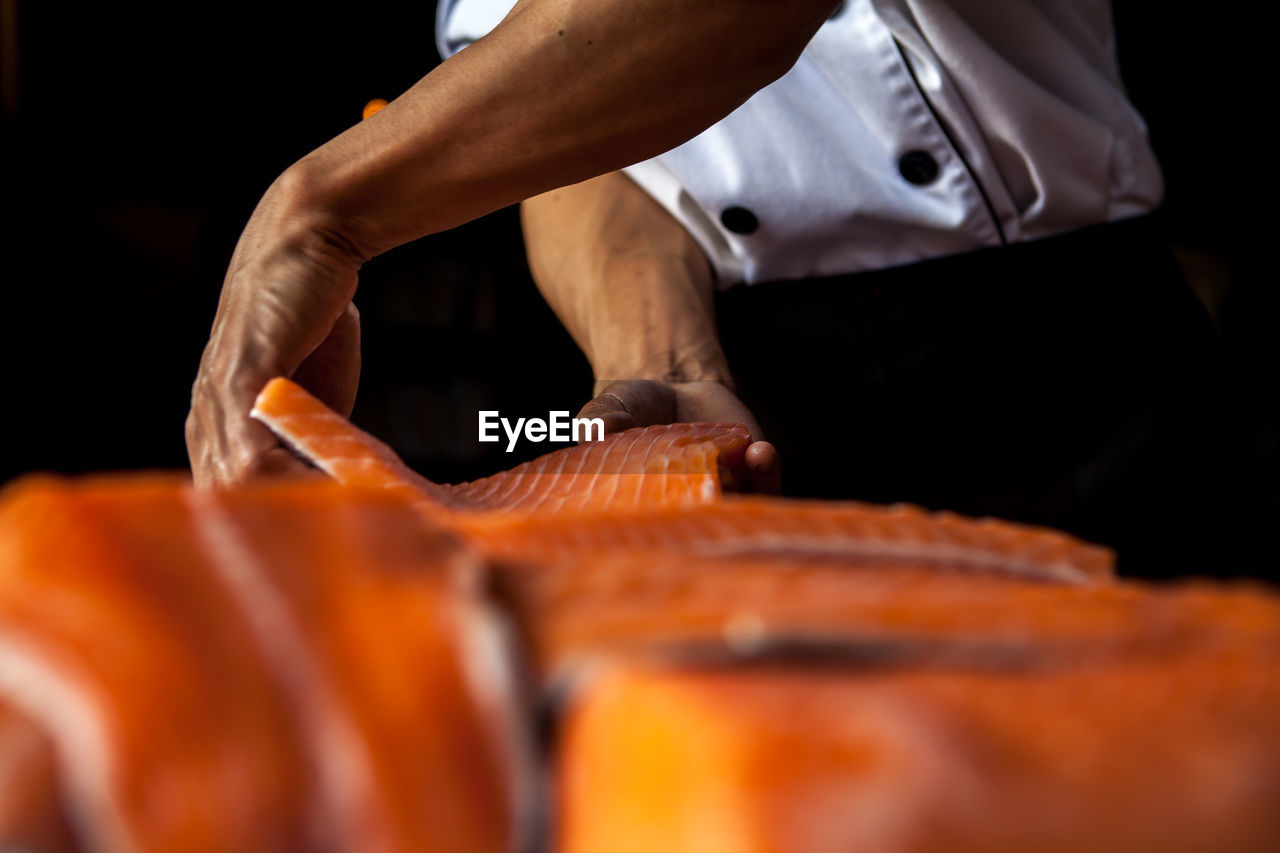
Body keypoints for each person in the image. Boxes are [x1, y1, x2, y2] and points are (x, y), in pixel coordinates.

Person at [187, 0, 1263, 574]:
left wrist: (317, 210)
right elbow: (575, 134)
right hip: (758, 399)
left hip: (1066, 363)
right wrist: (657, 362)